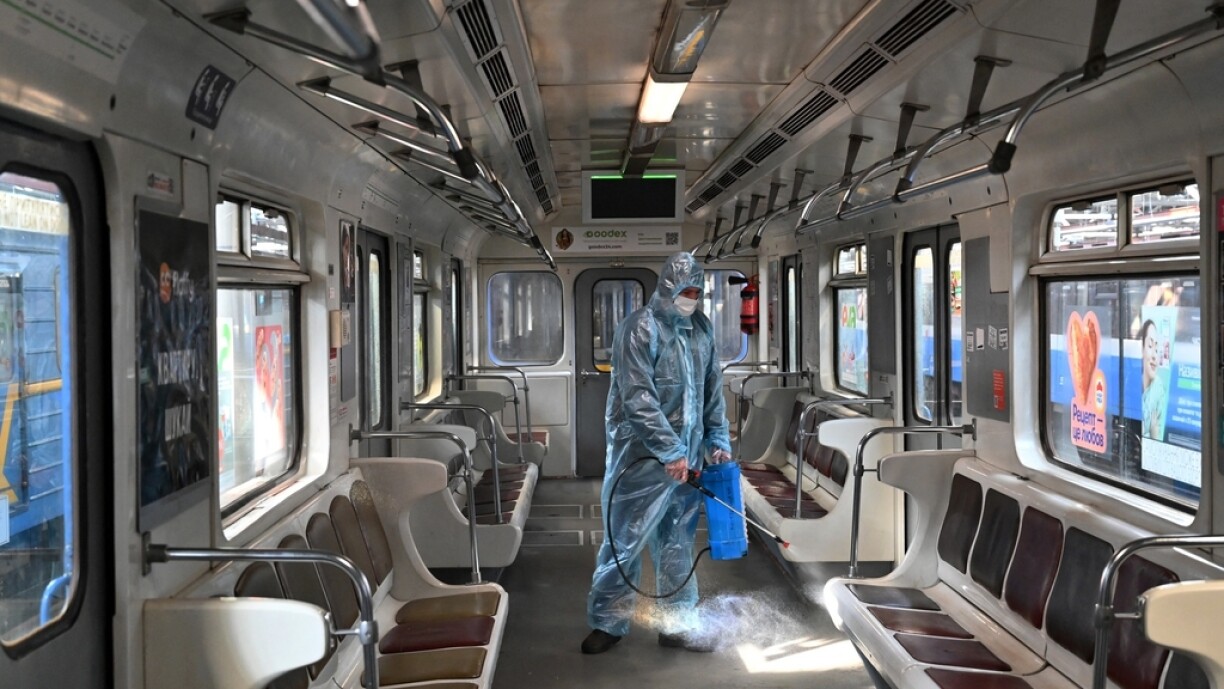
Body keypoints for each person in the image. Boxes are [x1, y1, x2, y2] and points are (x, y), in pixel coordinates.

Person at [581, 252, 733, 655]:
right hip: (641, 461)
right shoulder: (639, 329)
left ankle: (677, 624)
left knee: (677, 543)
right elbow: (638, 397)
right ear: (667, 288)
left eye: (697, 291)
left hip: (688, 461)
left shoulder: (701, 329)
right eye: (686, 290)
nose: (692, 298)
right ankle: (608, 623)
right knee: (625, 541)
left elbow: (711, 391)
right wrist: (668, 449)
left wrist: (716, 441)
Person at [1139, 319, 1167, 440]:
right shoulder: (1130, 382)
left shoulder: (1159, 389)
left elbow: (1159, 436)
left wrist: (1154, 435)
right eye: (1150, 346)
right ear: (1141, 350)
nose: (1155, 356)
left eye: (1157, 349)